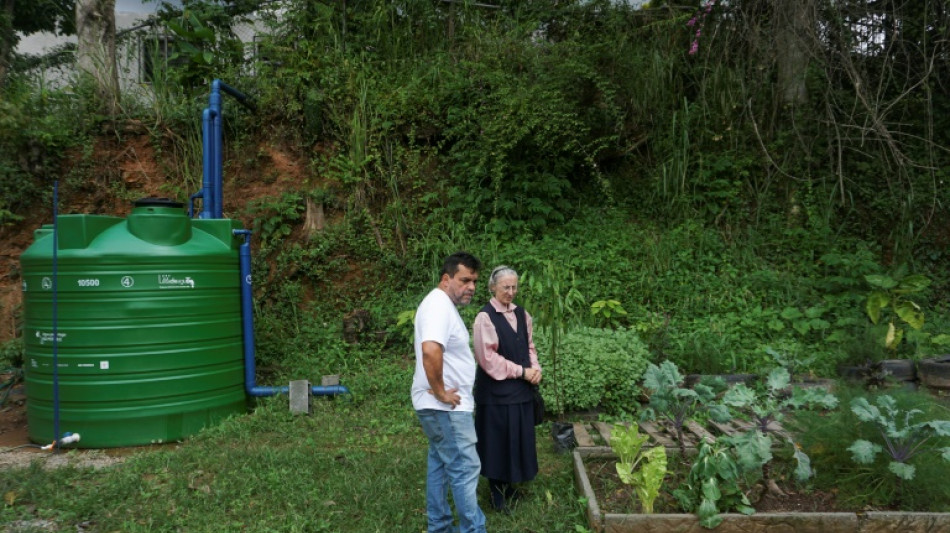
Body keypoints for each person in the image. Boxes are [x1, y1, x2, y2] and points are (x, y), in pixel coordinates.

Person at [411, 251, 488, 533]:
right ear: (446, 279)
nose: (471, 287)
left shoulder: (440, 304)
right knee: (464, 469)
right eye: (464, 280)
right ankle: (473, 529)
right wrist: (441, 392)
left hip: (439, 408)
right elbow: (431, 350)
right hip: (447, 408)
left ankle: (440, 527)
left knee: (441, 465)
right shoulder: (438, 306)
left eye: (474, 281)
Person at [472, 265, 542, 513]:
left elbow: (530, 347)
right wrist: (521, 372)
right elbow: (487, 359)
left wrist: (535, 368)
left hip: (521, 391)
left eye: (514, 287)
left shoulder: (523, 314)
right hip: (496, 395)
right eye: (506, 287)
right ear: (493, 287)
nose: (511, 292)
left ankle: (511, 487)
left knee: (517, 440)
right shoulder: (485, 317)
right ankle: (497, 494)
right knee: (497, 443)